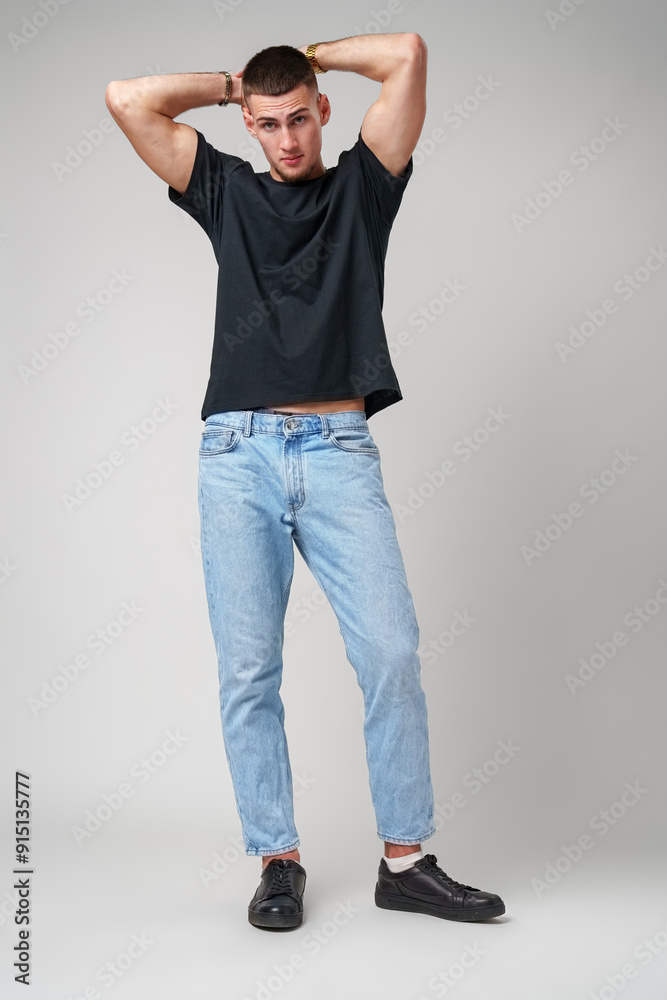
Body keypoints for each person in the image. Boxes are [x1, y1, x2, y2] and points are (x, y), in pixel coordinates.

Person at [105, 33, 505, 930]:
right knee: (249, 671)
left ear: (323, 110)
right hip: (236, 452)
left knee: (390, 653)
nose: (286, 139)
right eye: (267, 124)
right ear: (248, 125)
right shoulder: (225, 192)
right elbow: (127, 98)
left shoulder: (364, 186)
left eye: (298, 118)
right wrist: (231, 85)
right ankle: (276, 861)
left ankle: (404, 862)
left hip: (337, 449)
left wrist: (311, 56)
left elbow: (405, 55)